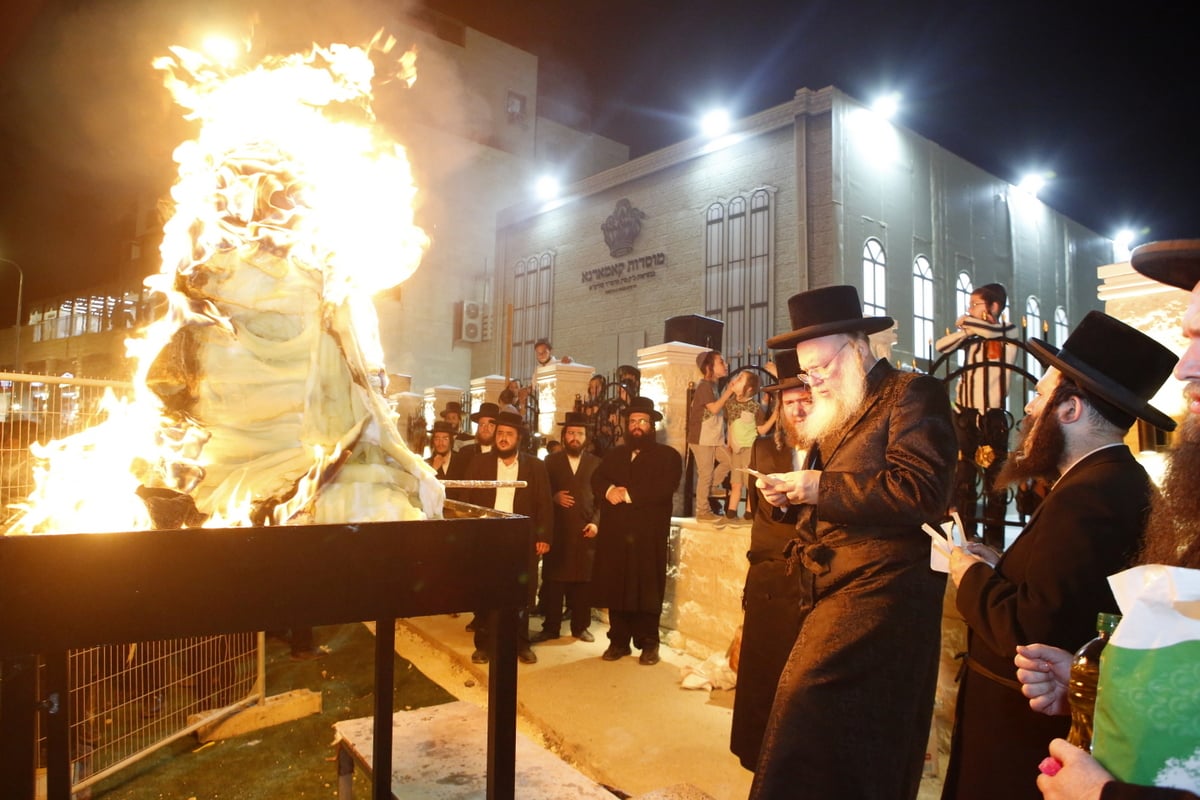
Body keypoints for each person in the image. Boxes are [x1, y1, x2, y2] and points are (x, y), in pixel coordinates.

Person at [942, 311, 1178, 800]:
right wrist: (998, 564)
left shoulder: (1090, 497)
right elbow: (1058, 590)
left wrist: (968, 573)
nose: (1028, 409)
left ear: (1069, 410)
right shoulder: (1110, 481)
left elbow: (1032, 631)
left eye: (1041, 394)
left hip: (1017, 744)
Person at [749, 285, 958, 800]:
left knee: (827, 718)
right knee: (818, 733)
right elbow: (840, 497)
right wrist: (791, 499)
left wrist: (820, 488)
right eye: (806, 372)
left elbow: (921, 492)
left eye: (821, 367)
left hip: (887, 593)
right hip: (834, 586)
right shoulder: (839, 404)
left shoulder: (913, 394)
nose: (813, 380)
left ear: (860, 347)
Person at [1014, 240, 1200, 800]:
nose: (1187, 367)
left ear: (1070, 409)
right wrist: (1098, 682)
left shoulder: (1097, 491)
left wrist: (1102, 796)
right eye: (1190, 338)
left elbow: (1032, 618)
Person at [729, 349, 814, 771]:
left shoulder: (832, 450)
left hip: (814, 586)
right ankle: (759, 760)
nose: (798, 409)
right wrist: (780, 506)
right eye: (790, 402)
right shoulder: (765, 448)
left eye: (805, 400)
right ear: (779, 407)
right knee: (764, 680)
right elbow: (764, 524)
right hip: (770, 584)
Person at [589, 396, 683, 665]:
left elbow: (665, 487)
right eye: (633, 421)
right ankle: (618, 641)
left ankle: (648, 643)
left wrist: (627, 494)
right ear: (627, 425)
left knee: (647, 588)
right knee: (616, 586)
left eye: (643, 421)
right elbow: (597, 478)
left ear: (652, 426)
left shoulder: (668, 457)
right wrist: (608, 491)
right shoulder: (615, 454)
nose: (637, 426)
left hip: (648, 536)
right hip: (616, 535)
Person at [460, 411, 554, 665]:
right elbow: (466, 501)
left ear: (518, 438)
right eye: (499, 433)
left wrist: (544, 536)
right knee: (485, 591)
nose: (502, 439)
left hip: (521, 537)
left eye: (508, 435)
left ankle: (521, 643)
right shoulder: (479, 463)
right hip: (488, 536)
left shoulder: (535, 466)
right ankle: (484, 645)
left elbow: (544, 503)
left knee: (521, 593)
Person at [935, 282, 1020, 548]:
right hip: (966, 412)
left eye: (975, 305)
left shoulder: (1008, 331)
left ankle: (995, 541)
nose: (969, 310)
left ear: (994, 306)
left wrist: (968, 323)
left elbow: (992, 331)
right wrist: (965, 330)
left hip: (992, 414)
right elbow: (940, 346)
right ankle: (969, 534)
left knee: (995, 475)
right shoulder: (972, 335)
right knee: (964, 474)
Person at [535, 411, 600, 643]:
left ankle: (580, 626)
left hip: (585, 531)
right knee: (554, 581)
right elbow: (540, 494)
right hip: (558, 530)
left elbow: (601, 500)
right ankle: (551, 626)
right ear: (563, 437)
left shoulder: (596, 464)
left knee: (583, 582)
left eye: (579, 434)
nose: (575, 438)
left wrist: (595, 523)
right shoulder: (550, 462)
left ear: (586, 438)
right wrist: (554, 497)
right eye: (571, 433)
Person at [687, 350, 735, 521]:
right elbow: (714, 409)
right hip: (702, 438)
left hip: (712, 437)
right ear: (710, 367)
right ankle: (702, 511)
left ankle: (710, 488)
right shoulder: (704, 386)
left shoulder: (713, 386)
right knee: (705, 473)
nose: (725, 364)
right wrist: (729, 391)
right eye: (721, 362)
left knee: (730, 461)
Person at [724, 369, 773, 523]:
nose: (735, 380)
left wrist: (775, 415)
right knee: (735, 482)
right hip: (737, 450)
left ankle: (749, 512)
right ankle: (731, 512)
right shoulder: (731, 404)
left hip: (750, 449)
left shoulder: (755, 407)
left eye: (740, 379)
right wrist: (729, 441)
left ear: (749, 389)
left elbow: (762, 430)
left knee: (749, 482)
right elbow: (731, 424)